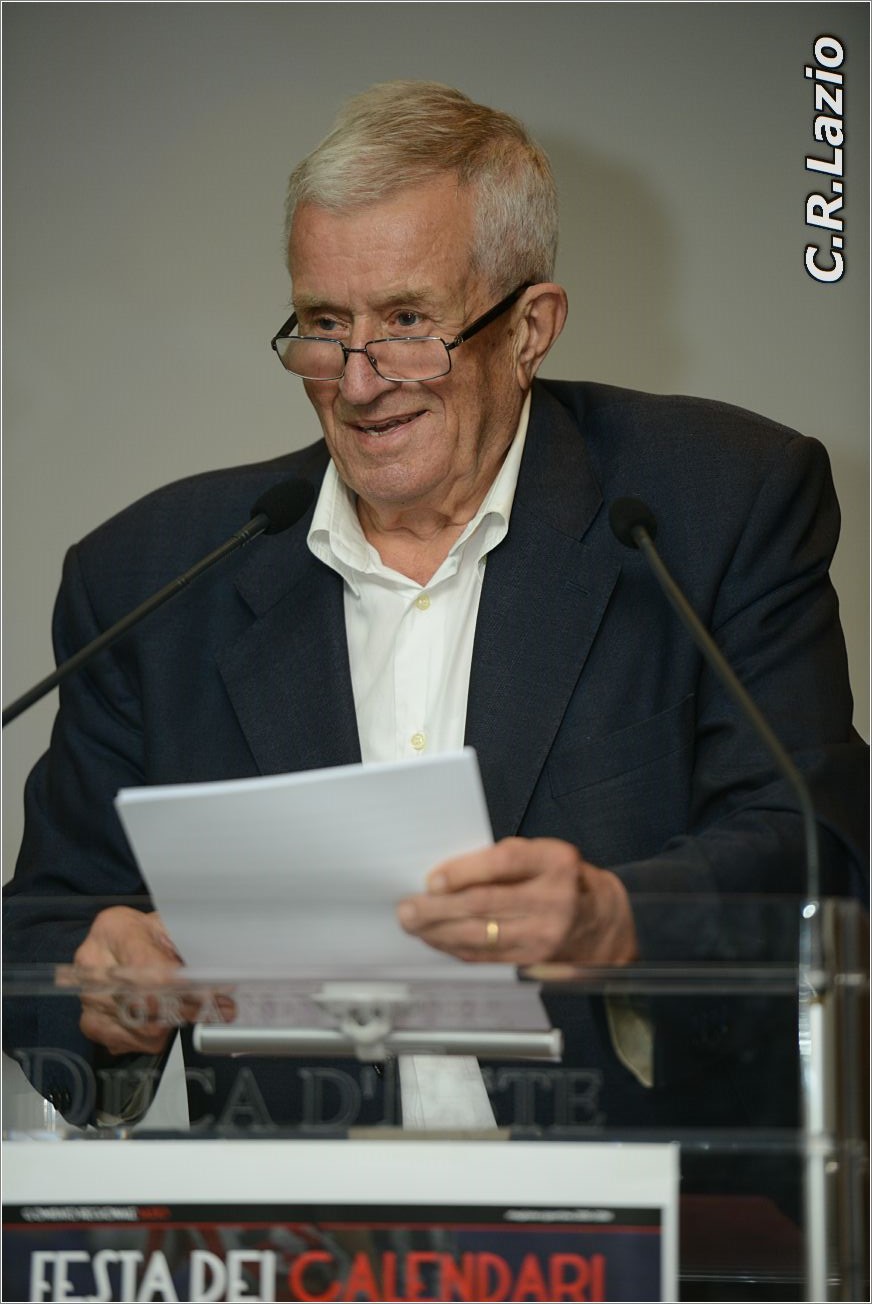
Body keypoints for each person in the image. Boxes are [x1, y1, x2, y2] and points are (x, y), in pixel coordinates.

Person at [3, 82, 867, 1138]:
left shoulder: (711, 506)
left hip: (657, 1202)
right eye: (325, 325)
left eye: (409, 323)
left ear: (530, 328)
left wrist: (616, 918)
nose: (359, 382)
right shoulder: (151, 577)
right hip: (297, 1221)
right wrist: (95, 986)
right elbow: (43, 928)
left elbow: (817, 845)